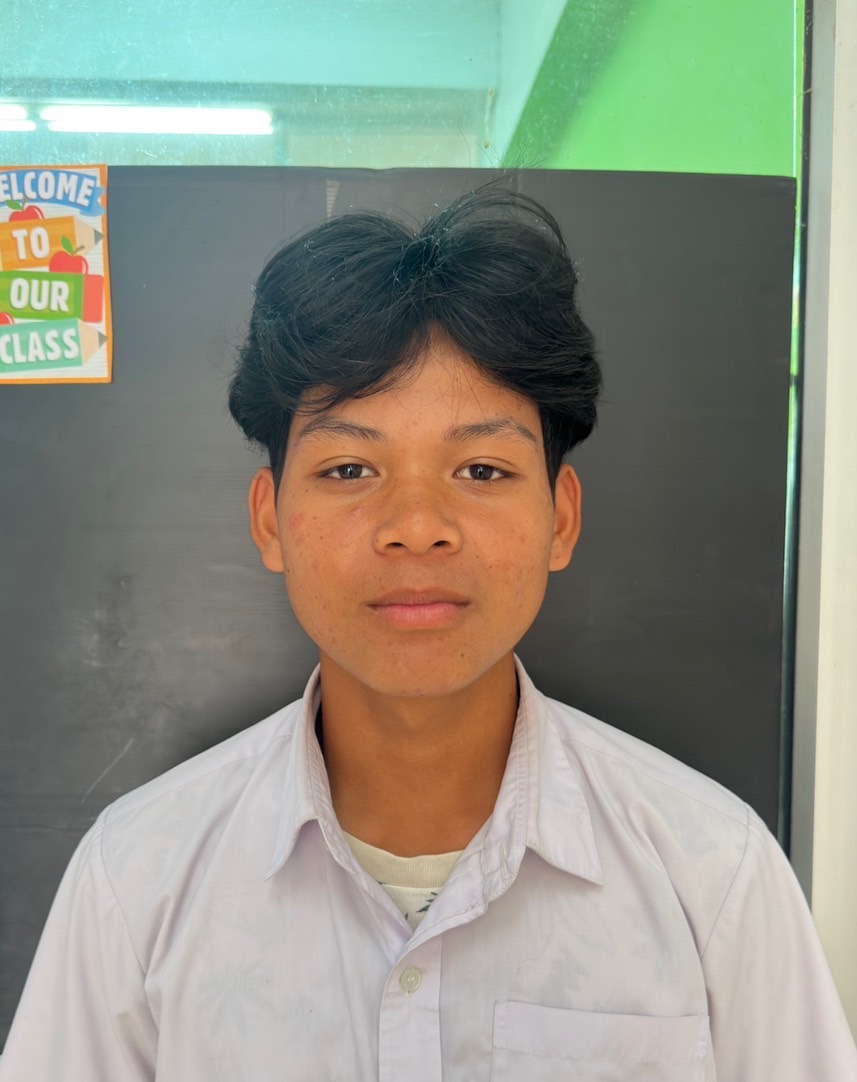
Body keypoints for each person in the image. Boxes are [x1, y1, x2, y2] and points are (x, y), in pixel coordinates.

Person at [1, 186, 855, 1081]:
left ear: (561, 519)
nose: (416, 526)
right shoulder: (138, 879)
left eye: (480, 469)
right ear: (268, 520)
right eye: (349, 467)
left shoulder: (711, 873)